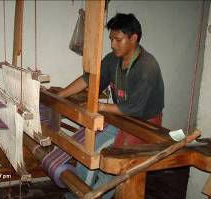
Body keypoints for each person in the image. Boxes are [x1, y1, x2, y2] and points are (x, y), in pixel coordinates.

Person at [58, 13, 166, 199]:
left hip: (144, 123)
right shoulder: (112, 60)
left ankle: (97, 196)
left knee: (112, 162)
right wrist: (59, 96)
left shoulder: (147, 67)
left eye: (118, 39)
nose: (113, 44)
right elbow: (88, 79)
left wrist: (99, 106)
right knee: (88, 148)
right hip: (121, 117)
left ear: (134, 38)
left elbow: (135, 109)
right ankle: (78, 193)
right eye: (111, 39)